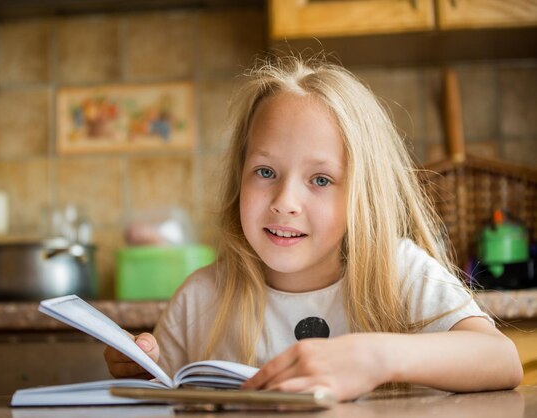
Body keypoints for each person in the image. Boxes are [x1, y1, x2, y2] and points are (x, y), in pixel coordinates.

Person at [104, 56, 523, 401]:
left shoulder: (399, 272)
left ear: (361, 194)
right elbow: (162, 398)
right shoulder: (201, 299)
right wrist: (141, 376)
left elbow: (501, 360)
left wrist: (377, 356)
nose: (285, 202)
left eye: (320, 180)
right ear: (239, 178)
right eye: (265, 171)